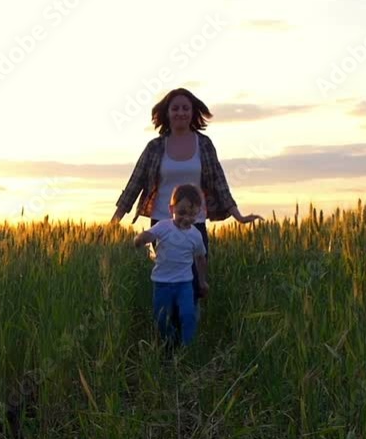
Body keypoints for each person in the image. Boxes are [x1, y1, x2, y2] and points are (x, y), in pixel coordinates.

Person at [110, 87, 262, 317]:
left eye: (185, 108)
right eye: (175, 108)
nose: (180, 112)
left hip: (195, 222)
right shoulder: (155, 147)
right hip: (162, 224)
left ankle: (187, 335)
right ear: (167, 113)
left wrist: (238, 215)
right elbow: (135, 183)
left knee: (193, 282)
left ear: (193, 113)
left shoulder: (204, 144)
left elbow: (219, 181)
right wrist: (115, 221)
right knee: (169, 278)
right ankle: (169, 337)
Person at [133, 184, 208, 347]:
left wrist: (202, 281)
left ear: (199, 213)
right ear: (171, 208)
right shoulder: (164, 226)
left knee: (188, 314)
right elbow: (150, 235)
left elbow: (201, 259)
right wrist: (141, 238)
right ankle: (170, 342)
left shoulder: (196, 235)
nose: (186, 218)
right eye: (181, 213)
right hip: (162, 284)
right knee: (161, 318)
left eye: (192, 214)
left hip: (185, 284)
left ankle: (187, 347)